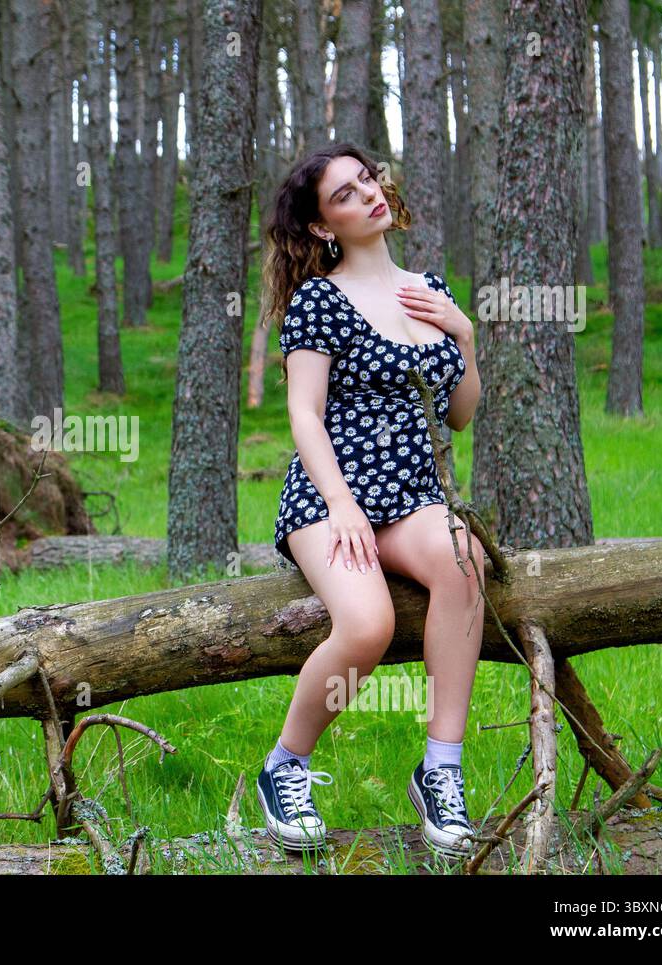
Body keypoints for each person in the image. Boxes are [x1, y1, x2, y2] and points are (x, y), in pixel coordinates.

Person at [255, 142, 485, 860]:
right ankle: (285, 764)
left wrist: (465, 336)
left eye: (367, 180)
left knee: (465, 557)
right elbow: (303, 414)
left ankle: (440, 770)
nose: (369, 196)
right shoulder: (319, 300)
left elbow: (460, 414)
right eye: (346, 196)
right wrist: (342, 504)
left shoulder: (428, 288)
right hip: (330, 500)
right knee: (368, 624)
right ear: (324, 227)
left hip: (409, 497)